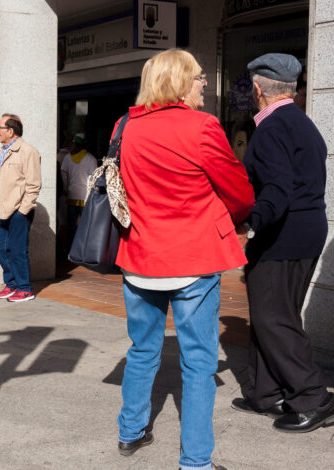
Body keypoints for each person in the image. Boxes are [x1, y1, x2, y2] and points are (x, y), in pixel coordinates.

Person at [113, 49, 254, 470]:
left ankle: (130, 431)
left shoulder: (124, 125)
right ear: (178, 82)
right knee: (199, 364)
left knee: (141, 351)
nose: (204, 84)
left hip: (139, 255)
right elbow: (240, 191)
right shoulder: (201, 126)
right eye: (198, 78)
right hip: (192, 256)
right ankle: (195, 461)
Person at [231, 53, 334, 433]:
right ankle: (266, 392)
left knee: (274, 318)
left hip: (283, 234)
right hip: (304, 231)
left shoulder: (272, 128)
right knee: (270, 313)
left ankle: (313, 396)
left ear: (258, 89)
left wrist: (250, 226)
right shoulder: (303, 123)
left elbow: (276, 191)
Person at [0, 113, 41, 302]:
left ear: (10, 131)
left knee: (17, 250)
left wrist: (23, 210)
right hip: (1, 208)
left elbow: (33, 185)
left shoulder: (28, 151)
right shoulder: (3, 150)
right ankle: (11, 284)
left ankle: (25, 288)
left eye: (0, 128)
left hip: (18, 210)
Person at [60, 133, 97, 251]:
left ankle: (71, 249)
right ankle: (83, 249)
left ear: (78, 145)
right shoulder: (91, 159)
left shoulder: (67, 158)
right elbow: (91, 179)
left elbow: (64, 175)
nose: (70, 146)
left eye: (73, 144)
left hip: (71, 195)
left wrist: (66, 188)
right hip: (85, 197)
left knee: (71, 225)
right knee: (85, 224)